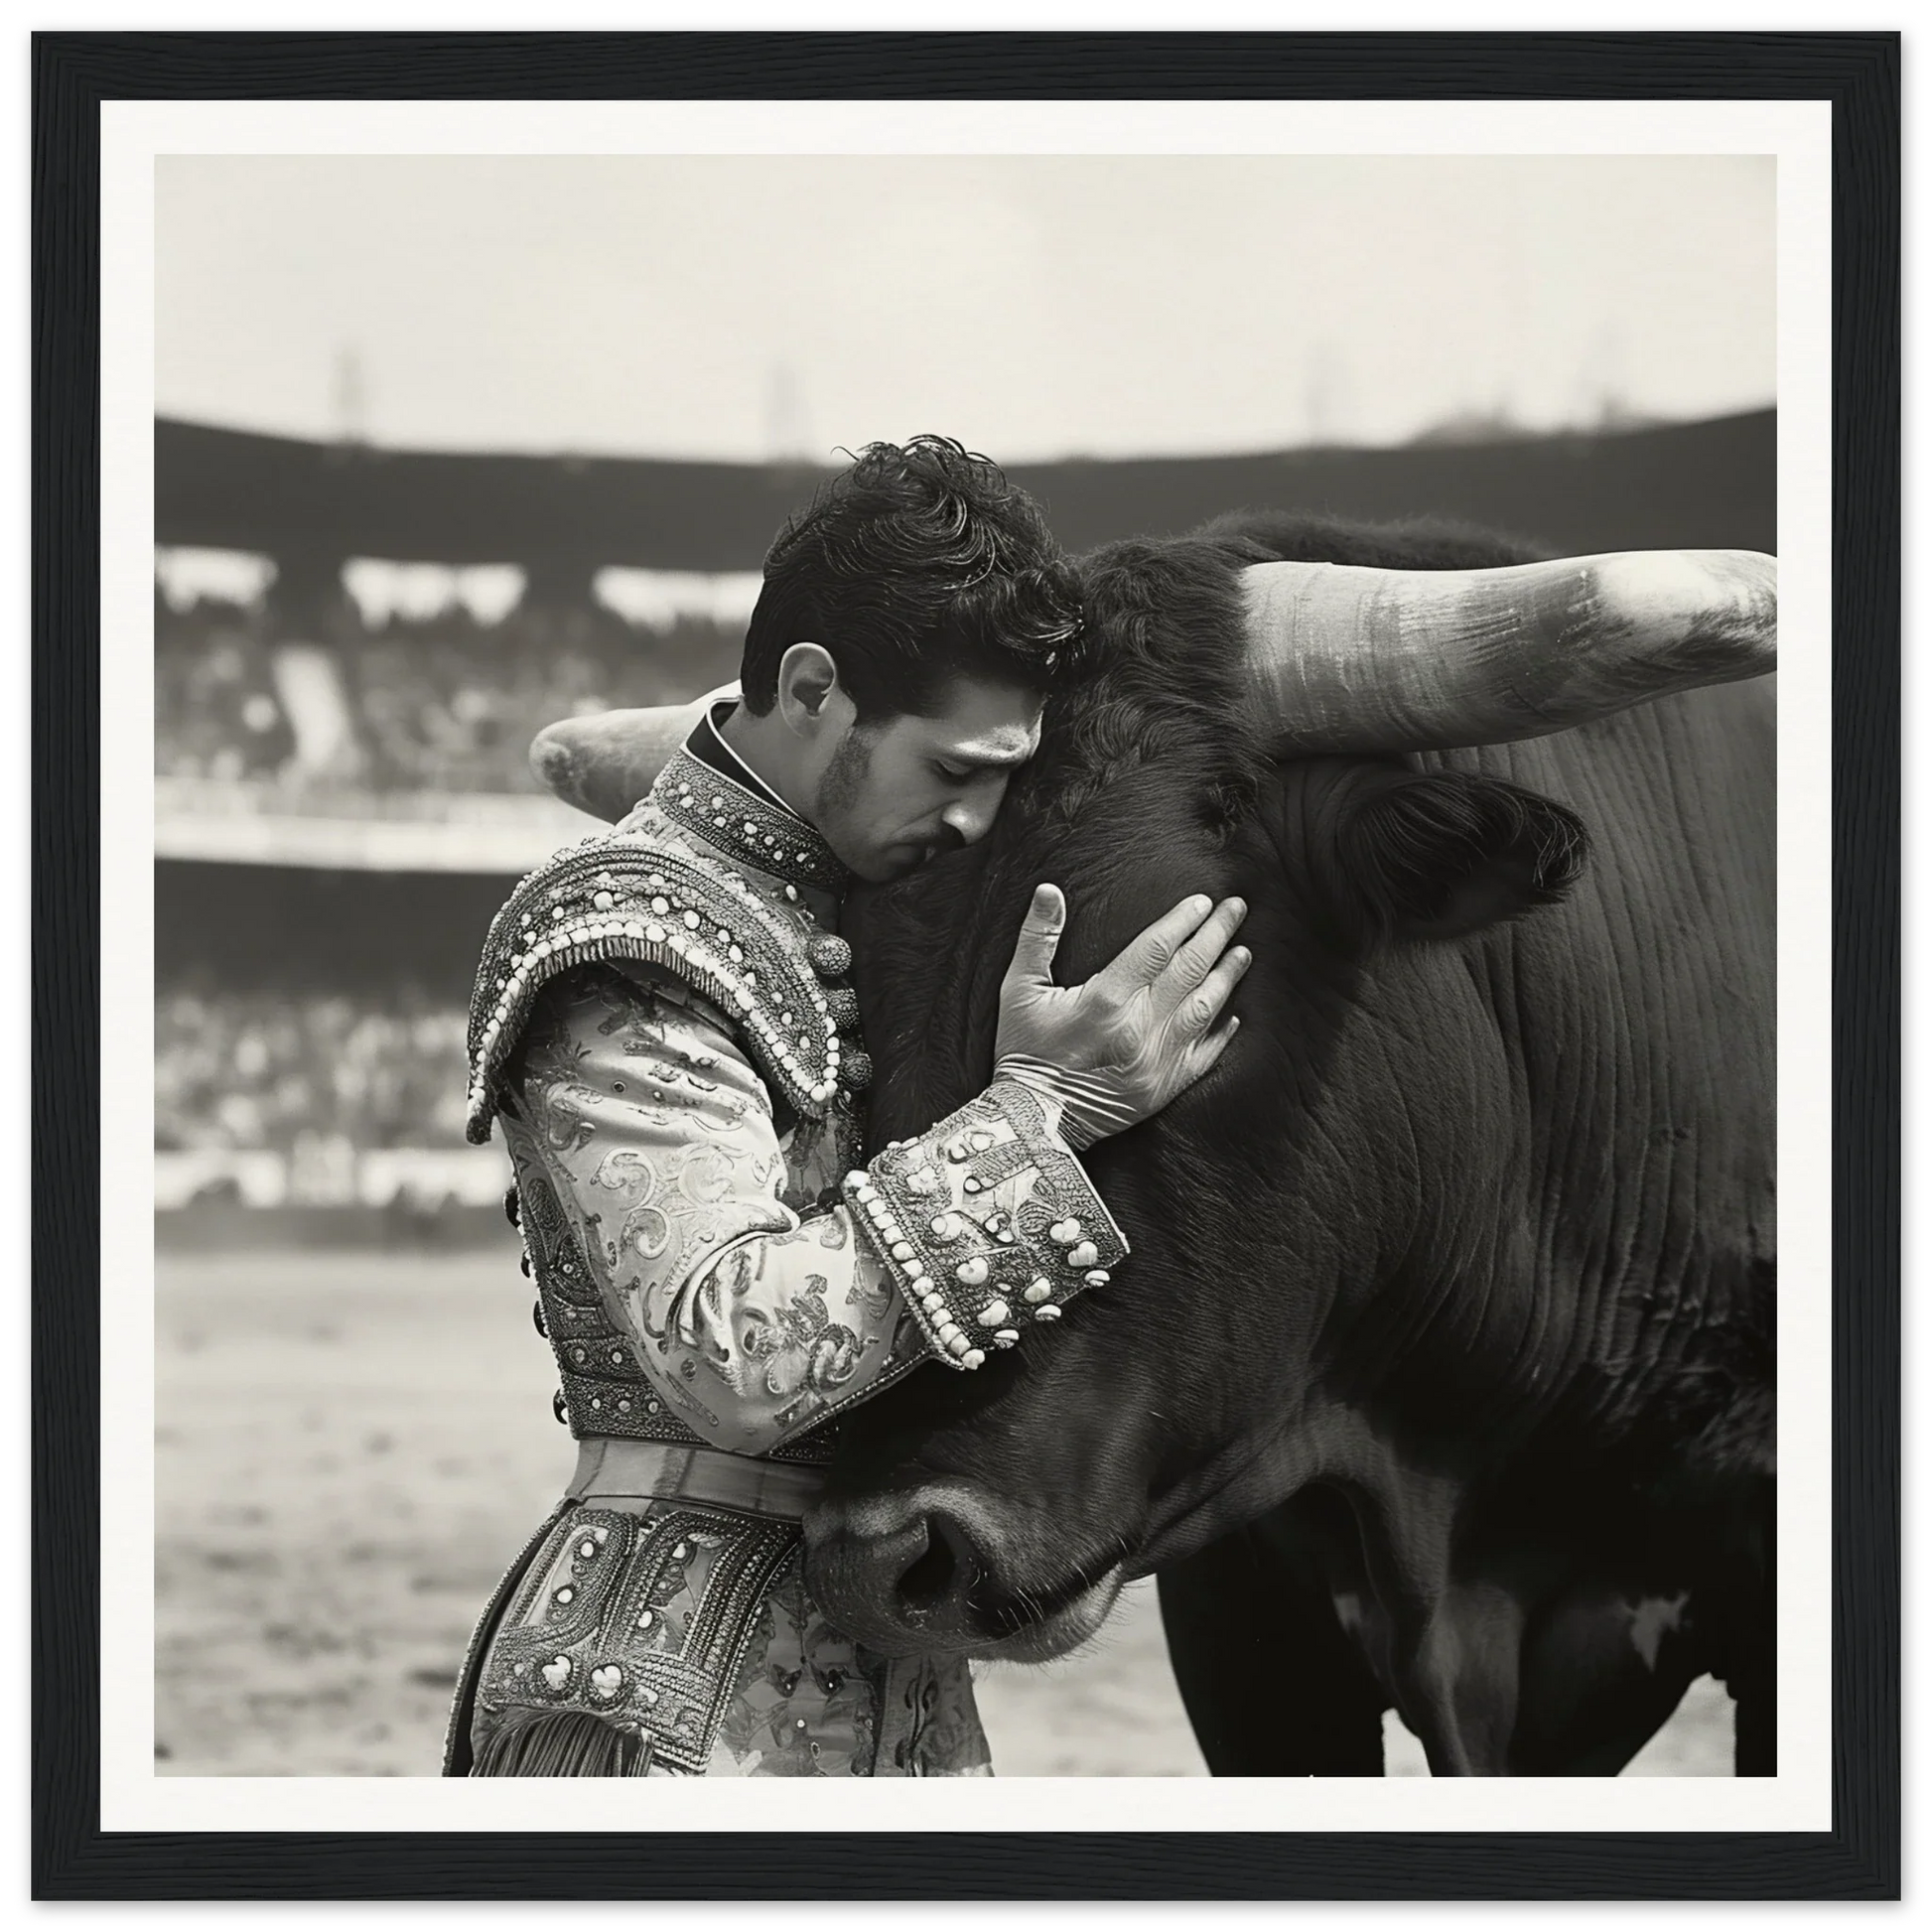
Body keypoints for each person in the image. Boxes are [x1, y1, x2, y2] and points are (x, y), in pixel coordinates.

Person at [444, 436, 1253, 1777]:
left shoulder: (866, 904)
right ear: (811, 688)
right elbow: (732, 1353)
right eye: (953, 770)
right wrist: (1040, 1113)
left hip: (895, 1693)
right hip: (664, 1700)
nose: (978, 818)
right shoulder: (636, 926)